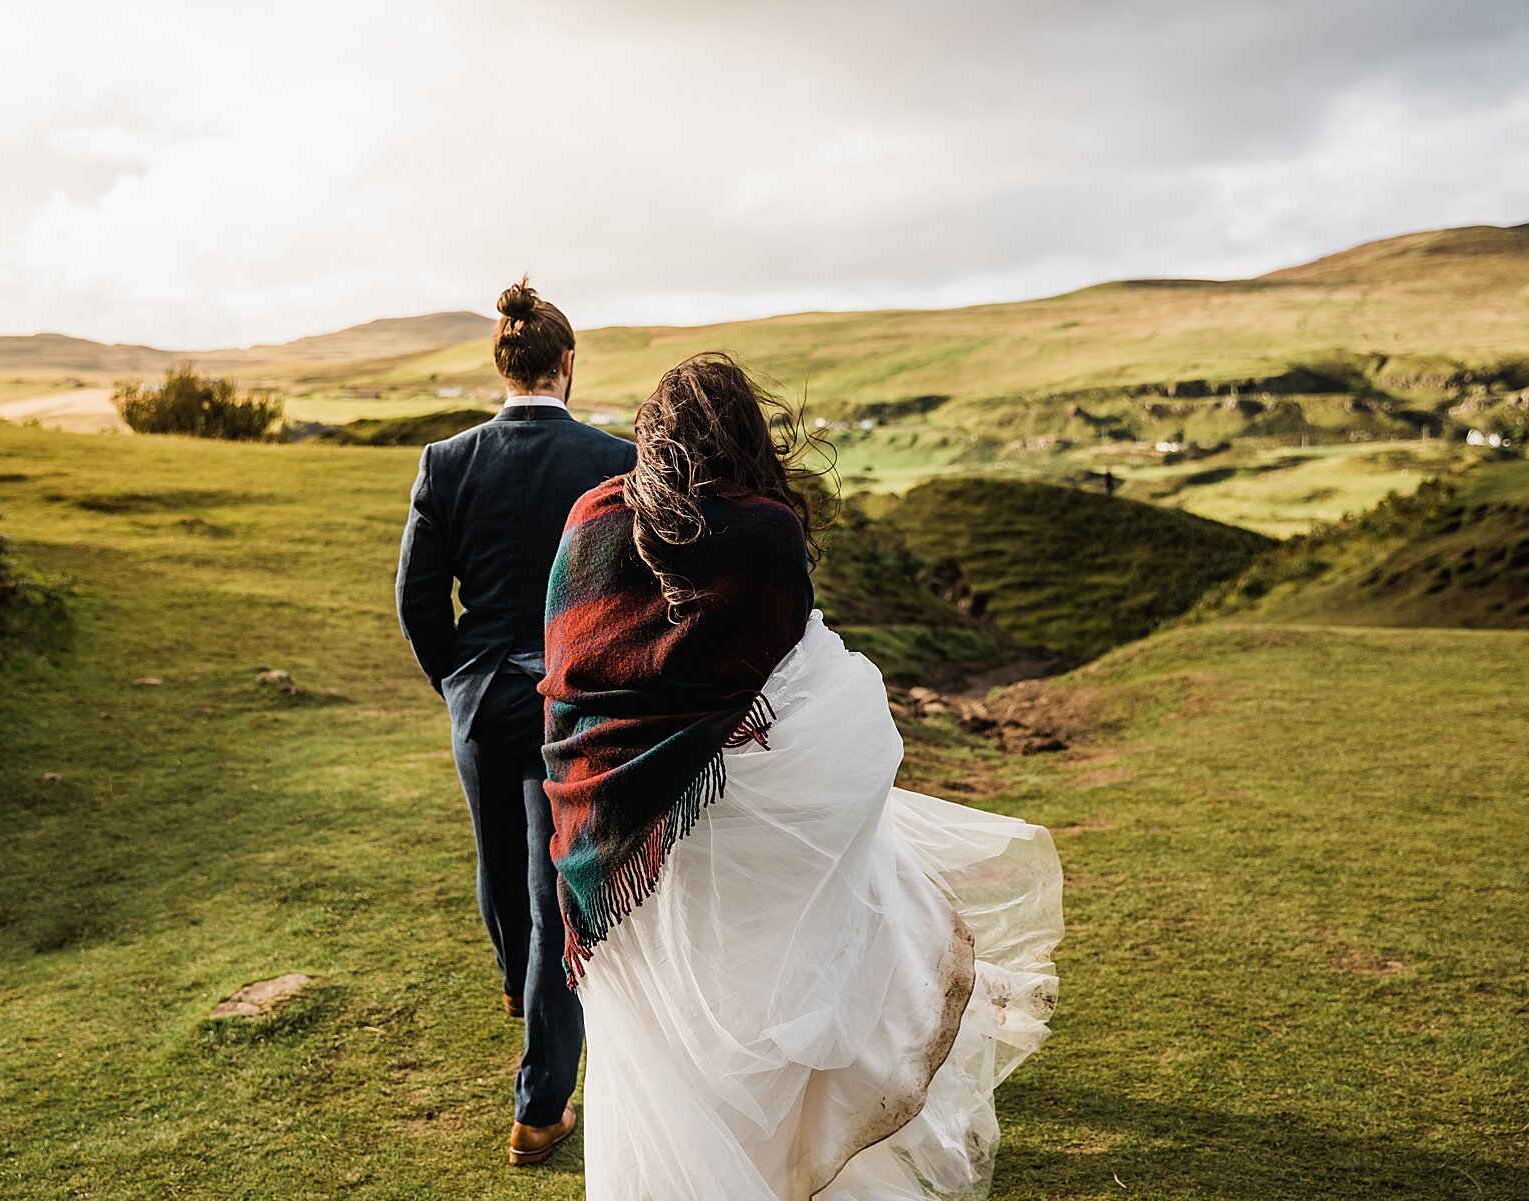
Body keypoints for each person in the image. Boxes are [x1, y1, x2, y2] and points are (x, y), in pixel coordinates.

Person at [540, 353, 1063, 1200]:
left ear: (651, 430)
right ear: (747, 433)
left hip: (614, 829)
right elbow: (805, 680)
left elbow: (570, 676)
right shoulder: (764, 527)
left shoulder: (588, 518)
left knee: (674, 1028)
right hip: (741, 819)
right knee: (763, 999)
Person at [395, 277, 636, 1166]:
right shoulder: (613, 456)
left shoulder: (445, 461)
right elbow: (632, 586)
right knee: (552, 893)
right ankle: (539, 1108)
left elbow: (417, 597)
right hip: (572, 699)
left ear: (502, 364)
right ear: (567, 364)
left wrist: (458, 678)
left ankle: (515, 987)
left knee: (497, 856)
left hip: (483, 691)